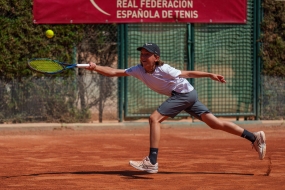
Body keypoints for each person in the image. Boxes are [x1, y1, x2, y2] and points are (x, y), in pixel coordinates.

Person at [86, 43, 266, 174]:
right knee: (215, 123)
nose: (143, 57)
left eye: (147, 54)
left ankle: (152, 161)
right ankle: (254, 137)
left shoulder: (164, 69)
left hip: (184, 95)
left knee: (154, 119)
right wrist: (95, 68)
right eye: (141, 54)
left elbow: (187, 73)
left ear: (155, 58)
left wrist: (209, 74)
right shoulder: (138, 70)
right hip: (187, 95)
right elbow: (114, 71)